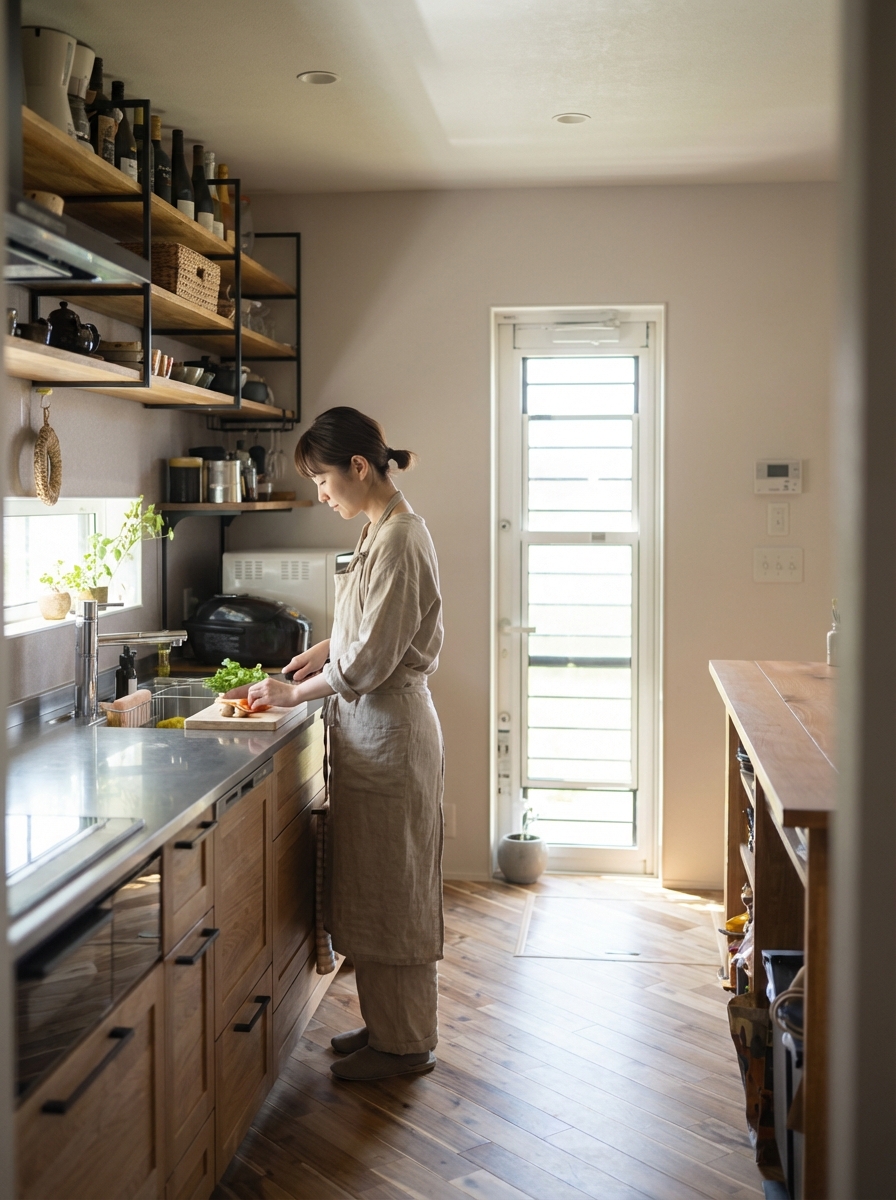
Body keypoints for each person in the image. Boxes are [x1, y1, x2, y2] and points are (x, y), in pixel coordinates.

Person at [226, 406, 445, 1081]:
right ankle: (386, 1027)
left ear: (358, 466)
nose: (321, 494)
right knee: (378, 885)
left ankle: (406, 1046)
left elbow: (373, 659)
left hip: (393, 730)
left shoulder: (403, 536)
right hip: (373, 730)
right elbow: (367, 626)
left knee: (397, 889)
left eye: (323, 479)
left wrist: (299, 689)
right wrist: (320, 650)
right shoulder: (381, 528)